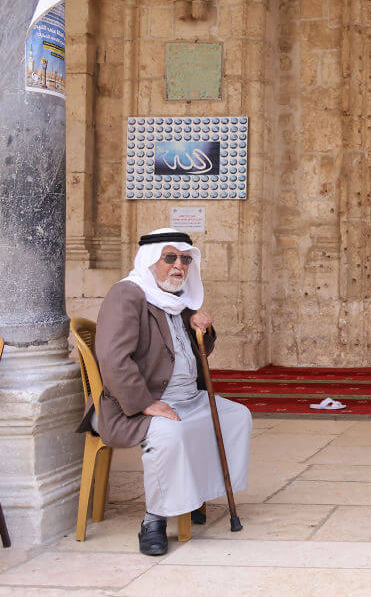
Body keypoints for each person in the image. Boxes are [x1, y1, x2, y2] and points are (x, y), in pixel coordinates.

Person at [76, 228, 251, 555]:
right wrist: (145, 404)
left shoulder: (176, 300)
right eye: (169, 258)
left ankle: (191, 498)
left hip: (187, 399)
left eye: (185, 259)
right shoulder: (127, 295)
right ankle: (154, 520)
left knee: (236, 417)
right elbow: (113, 359)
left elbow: (199, 351)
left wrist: (203, 326)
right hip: (128, 406)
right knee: (168, 434)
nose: (179, 266)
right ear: (149, 261)